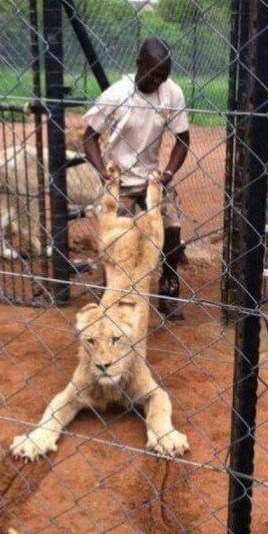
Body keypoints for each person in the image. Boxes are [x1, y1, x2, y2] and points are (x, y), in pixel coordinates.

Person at [83, 37, 191, 321]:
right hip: (120, 180)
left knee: (172, 231)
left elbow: (183, 139)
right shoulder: (117, 95)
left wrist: (168, 174)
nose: (157, 81)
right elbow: (90, 137)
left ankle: (168, 289)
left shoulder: (172, 93)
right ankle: (109, 288)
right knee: (117, 240)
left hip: (153, 179)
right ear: (138, 65)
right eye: (153, 73)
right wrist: (103, 172)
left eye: (163, 75)